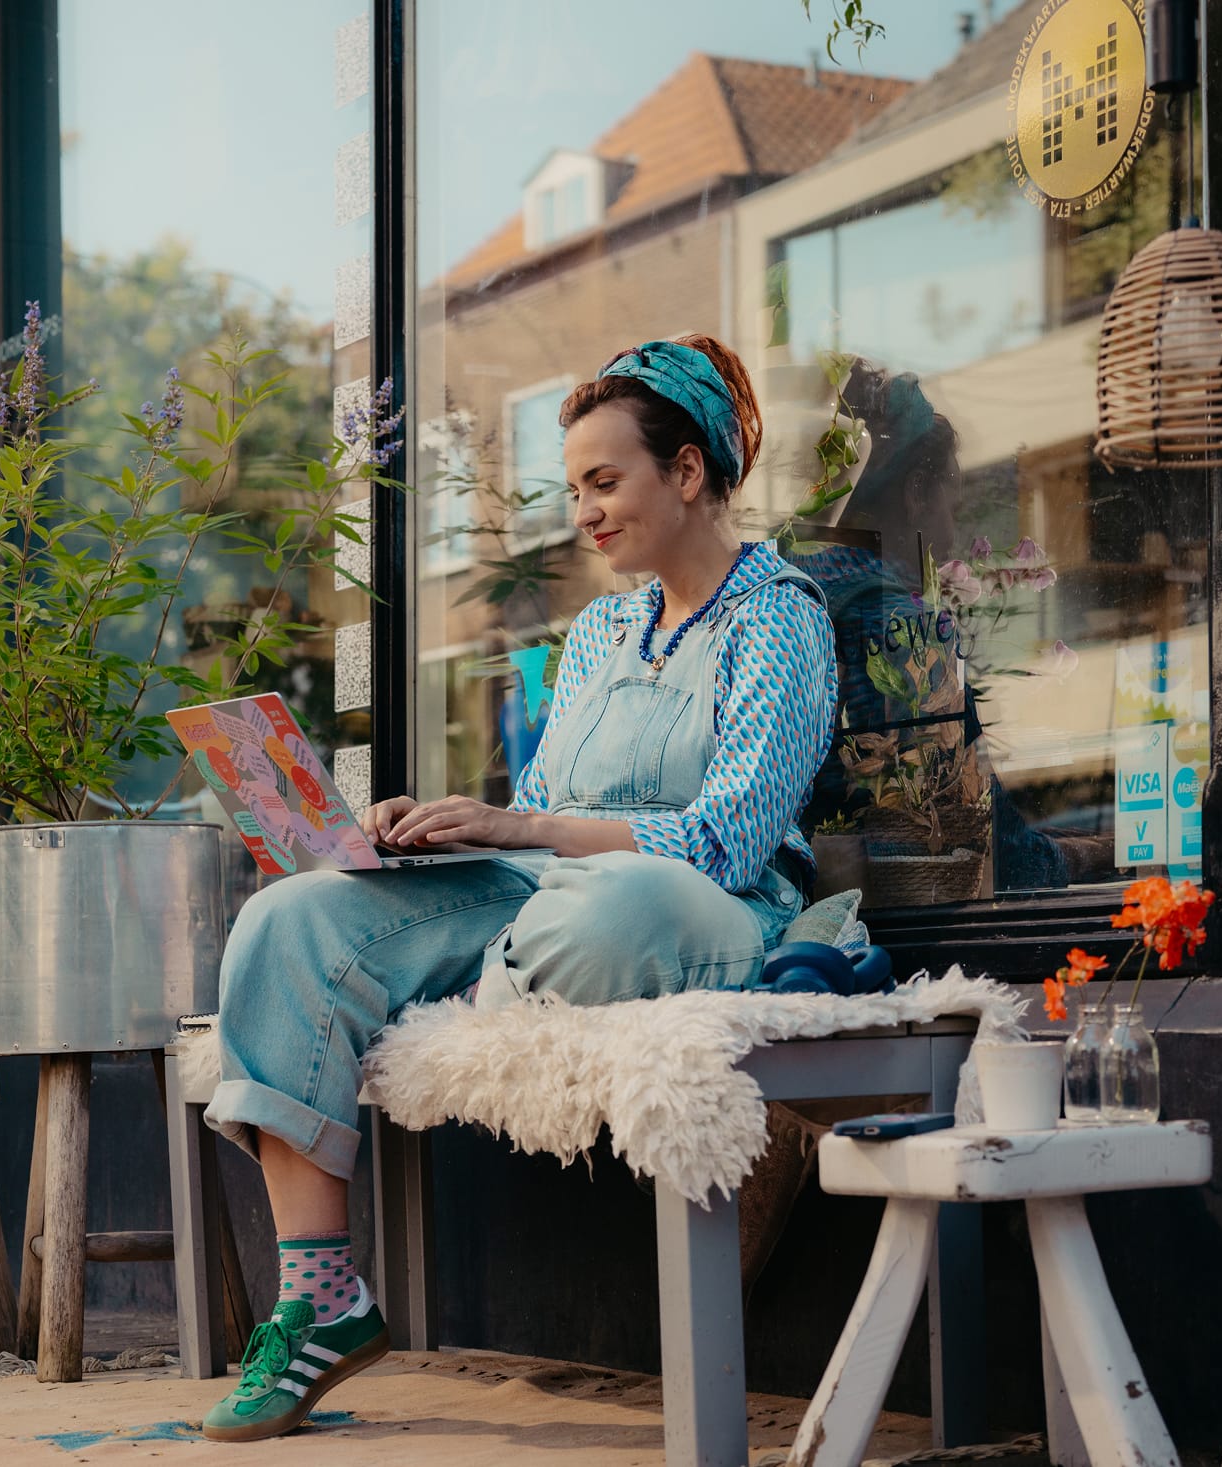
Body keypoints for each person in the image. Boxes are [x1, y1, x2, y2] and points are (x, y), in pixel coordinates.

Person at [198, 333, 839, 1442]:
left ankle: (478, 986)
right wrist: (440, 832)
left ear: (686, 472)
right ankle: (318, 1300)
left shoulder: (780, 618)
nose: (583, 511)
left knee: (610, 905)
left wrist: (523, 824)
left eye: (604, 482)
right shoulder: (599, 628)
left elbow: (730, 839)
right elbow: (541, 809)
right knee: (291, 916)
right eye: (574, 488)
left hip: (703, 907)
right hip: (546, 899)